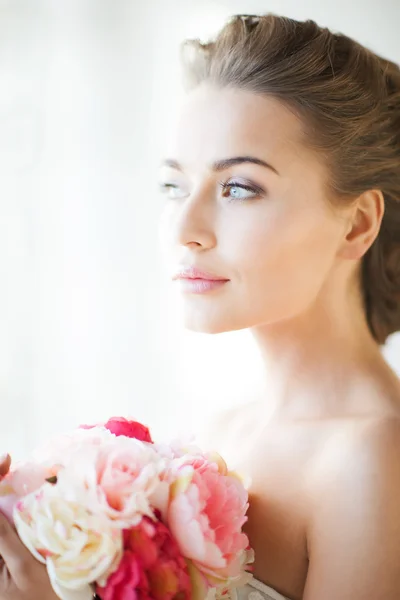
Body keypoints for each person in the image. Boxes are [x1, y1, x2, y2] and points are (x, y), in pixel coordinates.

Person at [1, 12, 400, 600]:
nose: (185, 229)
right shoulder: (220, 432)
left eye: (238, 187)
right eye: (174, 187)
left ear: (357, 224)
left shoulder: (374, 461)